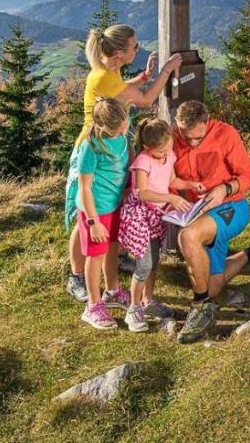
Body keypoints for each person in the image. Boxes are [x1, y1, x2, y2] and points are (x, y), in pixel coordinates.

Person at [65, 24, 182, 307]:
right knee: (86, 217)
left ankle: (102, 271)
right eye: (135, 47)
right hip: (96, 151)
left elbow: (124, 90)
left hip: (112, 148)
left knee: (107, 210)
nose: (137, 50)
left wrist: (143, 75)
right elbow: (143, 99)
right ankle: (77, 277)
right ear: (119, 52)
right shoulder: (105, 77)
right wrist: (165, 72)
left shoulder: (109, 70)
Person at [170, 100, 250, 343]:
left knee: (188, 237)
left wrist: (224, 188)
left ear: (206, 123)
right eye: (184, 136)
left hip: (232, 206)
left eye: (196, 138)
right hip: (199, 214)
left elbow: (249, 176)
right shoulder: (171, 139)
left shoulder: (225, 134)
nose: (190, 143)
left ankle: (201, 308)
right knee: (214, 287)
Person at [117, 118, 205, 332]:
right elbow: (142, 192)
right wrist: (172, 198)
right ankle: (133, 308)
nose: (166, 154)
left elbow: (172, 180)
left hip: (157, 215)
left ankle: (148, 300)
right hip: (140, 216)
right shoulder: (143, 161)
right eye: (160, 152)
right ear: (147, 147)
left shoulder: (168, 153)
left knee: (155, 260)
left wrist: (190, 184)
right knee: (145, 264)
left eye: (168, 148)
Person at [64, 96, 131, 330]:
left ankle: (112, 291)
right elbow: (84, 188)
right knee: (96, 254)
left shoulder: (122, 138)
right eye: (123, 120)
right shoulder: (91, 147)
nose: (127, 123)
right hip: (95, 210)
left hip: (114, 205)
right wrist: (93, 222)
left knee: (112, 247)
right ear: (110, 125)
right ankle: (92, 305)